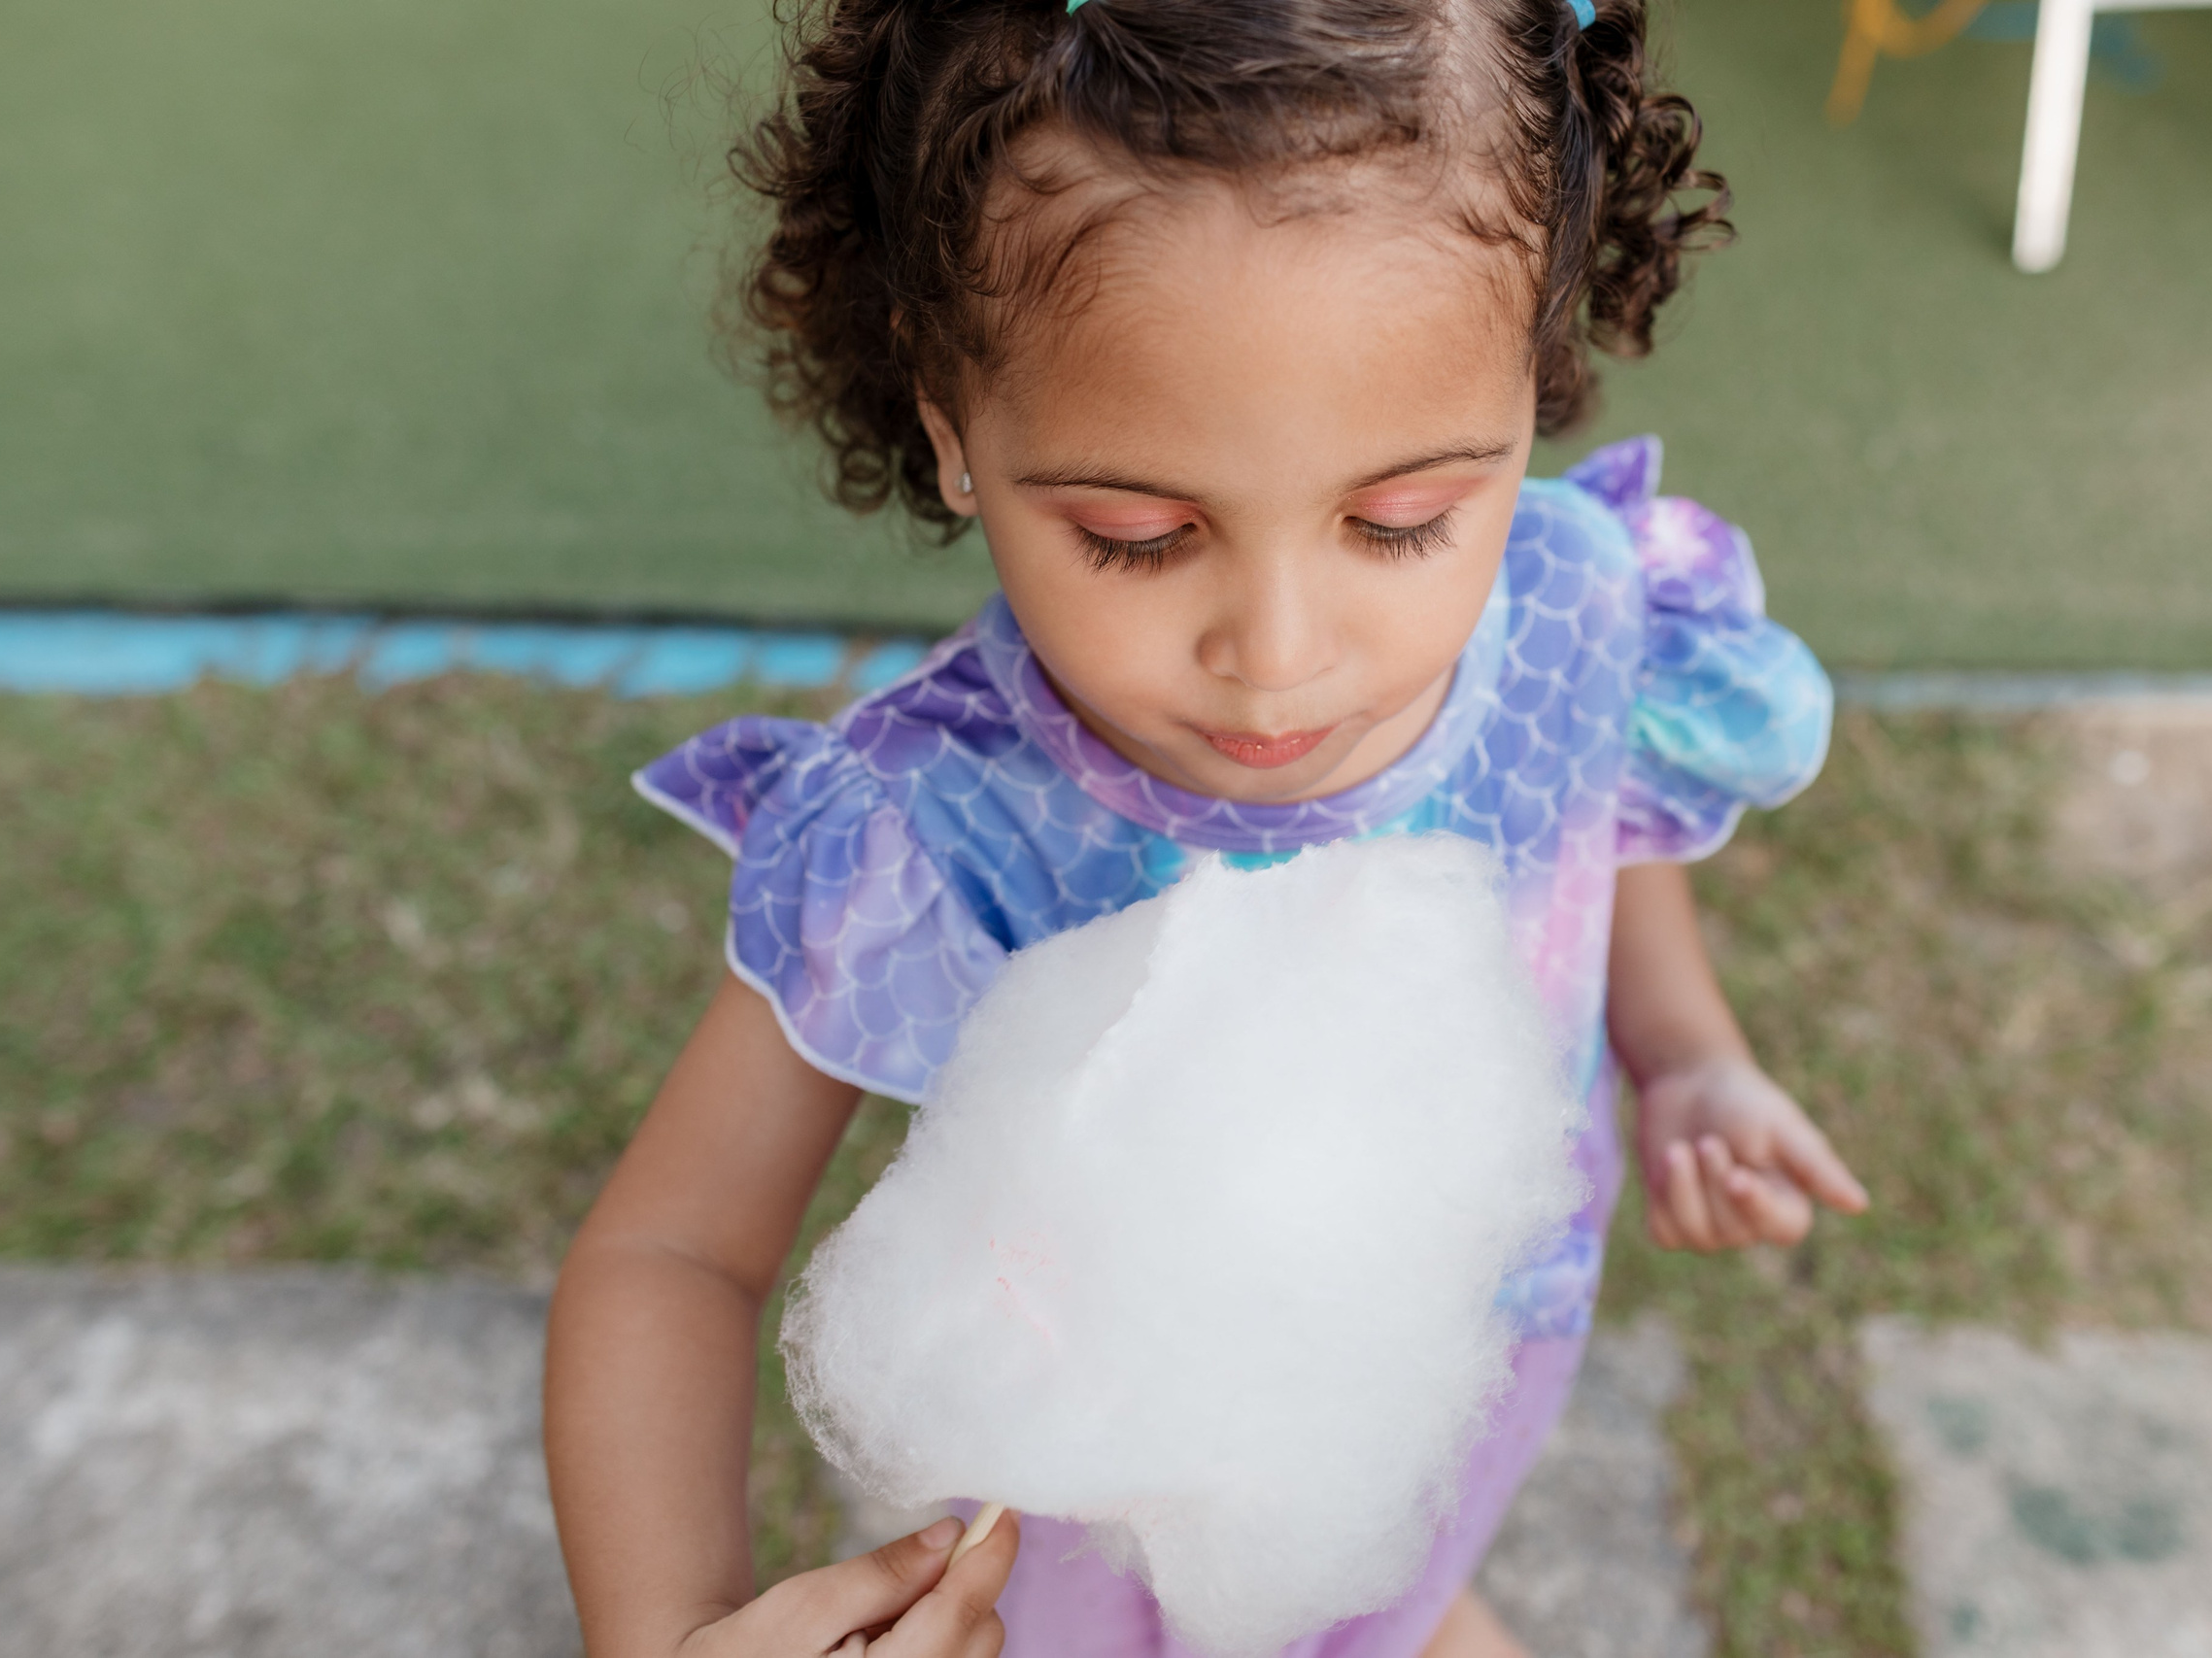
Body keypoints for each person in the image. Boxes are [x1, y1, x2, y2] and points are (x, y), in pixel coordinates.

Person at [543, 0, 1870, 1652]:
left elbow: (1585, 814)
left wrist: (1684, 1052)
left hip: (1467, 1334)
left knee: (1380, 1573)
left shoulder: (1578, 605)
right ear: (955, 429)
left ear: (1532, 386)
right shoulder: (941, 818)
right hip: (1104, 1460)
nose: (1281, 652)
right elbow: (674, 1251)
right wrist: (663, 1627)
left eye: (1402, 521)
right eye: (1138, 534)